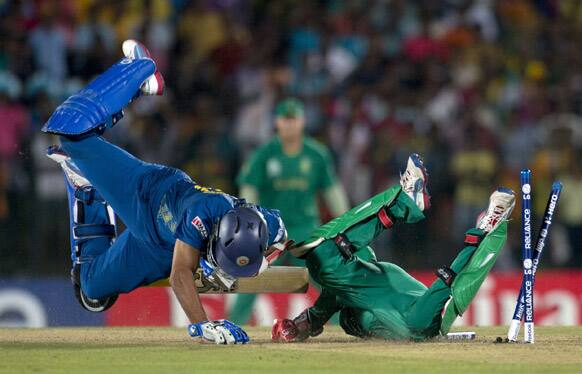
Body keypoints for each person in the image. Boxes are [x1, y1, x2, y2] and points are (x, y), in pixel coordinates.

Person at [42, 40, 287, 345]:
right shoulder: (201, 213)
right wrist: (203, 325)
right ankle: (139, 74)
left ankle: (85, 183)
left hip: (157, 251)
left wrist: (263, 262)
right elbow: (181, 274)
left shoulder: (266, 223)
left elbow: (281, 239)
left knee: (90, 290)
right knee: (71, 134)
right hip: (145, 194)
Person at [272, 154, 515, 341]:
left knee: (323, 260)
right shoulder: (417, 323)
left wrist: (303, 324)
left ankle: (404, 203)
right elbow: (457, 282)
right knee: (324, 262)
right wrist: (484, 231)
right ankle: (404, 203)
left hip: (377, 289)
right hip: (392, 302)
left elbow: (333, 297)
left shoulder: (351, 303)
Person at [229, 97, 349, 324]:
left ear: (302, 122)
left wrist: (345, 222)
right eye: (286, 120)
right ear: (277, 122)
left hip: (306, 227)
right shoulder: (265, 153)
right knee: (252, 274)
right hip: (272, 228)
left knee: (322, 277)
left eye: (294, 120)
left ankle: (341, 324)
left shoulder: (316, 154)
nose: (290, 125)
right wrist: (248, 221)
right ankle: (235, 324)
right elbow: (249, 186)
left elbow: (332, 189)